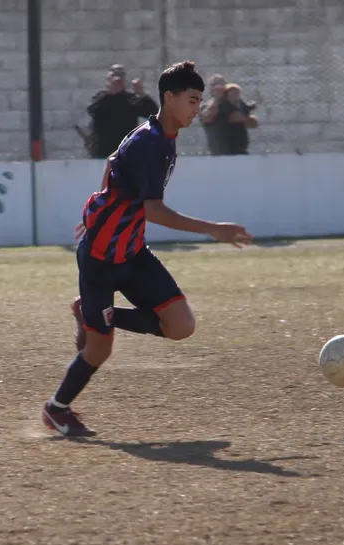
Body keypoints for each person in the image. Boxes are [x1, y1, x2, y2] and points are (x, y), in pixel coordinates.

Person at [42, 61, 254, 437]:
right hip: (100, 261)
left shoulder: (158, 136)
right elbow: (152, 209)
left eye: (199, 100)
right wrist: (213, 230)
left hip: (133, 253)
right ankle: (57, 409)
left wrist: (99, 207)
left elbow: (112, 164)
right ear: (169, 98)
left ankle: (93, 314)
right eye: (191, 100)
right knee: (98, 352)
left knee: (181, 326)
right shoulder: (150, 142)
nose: (196, 108)